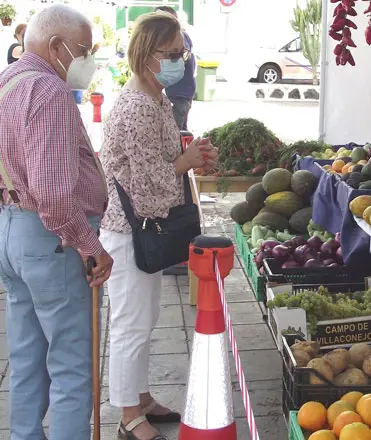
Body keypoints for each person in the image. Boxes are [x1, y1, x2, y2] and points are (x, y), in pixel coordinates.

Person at [99, 12, 217, 440]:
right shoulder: (137, 107)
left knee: (144, 320)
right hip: (128, 232)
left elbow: (158, 162)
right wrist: (185, 162)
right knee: (130, 325)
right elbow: (147, 187)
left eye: (182, 53)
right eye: (170, 54)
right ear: (146, 54)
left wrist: (190, 154)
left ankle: (141, 397)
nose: (179, 62)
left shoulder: (156, 98)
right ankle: (129, 416)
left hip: (141, 229)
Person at [0, 5, 113, 440]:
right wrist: (90, 244)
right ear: (55, 46)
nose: (88, 60)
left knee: (26, 357)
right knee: (72, 365)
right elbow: (52, 194)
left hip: (14, 230)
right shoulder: (48, 90)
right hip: (51, 240)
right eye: (84, 51)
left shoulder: (8, 81)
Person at [154, 5, 196, 131]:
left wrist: (172, 57)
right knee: (181, 132)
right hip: (177, 93)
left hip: (181, 94)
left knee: (174, 131)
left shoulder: (179, 36)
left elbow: (185, 55)